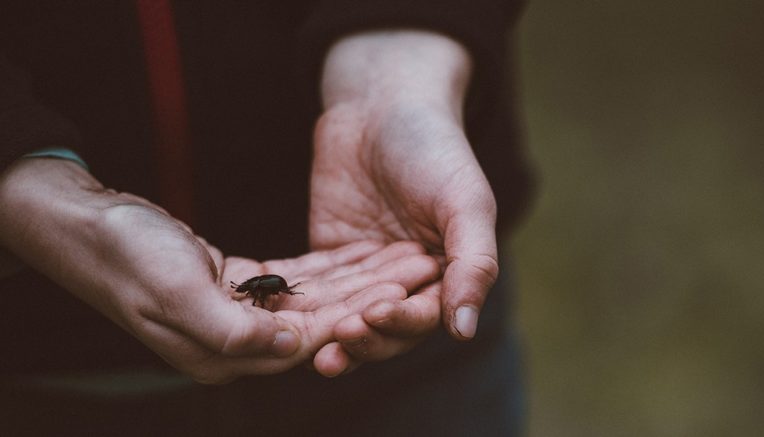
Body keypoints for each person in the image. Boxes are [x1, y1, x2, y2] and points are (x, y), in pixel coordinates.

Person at [0, 1, 535, 435]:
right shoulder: (258, 286)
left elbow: (274, 290)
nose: (252, 293)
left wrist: (400, 50)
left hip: (411, 300)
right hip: (33, 353)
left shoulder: (269, 287)